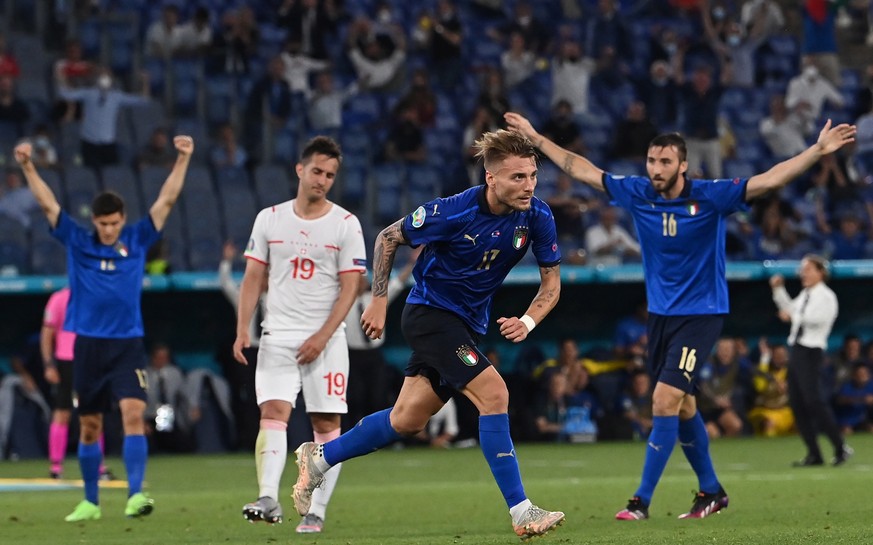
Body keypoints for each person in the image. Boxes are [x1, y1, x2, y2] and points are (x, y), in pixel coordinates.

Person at [505, 110, 856, 520]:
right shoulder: (638, 192)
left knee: (665, 398)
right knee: (684, 406)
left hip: (702, 314)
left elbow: (769, 179)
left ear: (683, 165)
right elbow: (581, 169)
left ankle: (641, 501)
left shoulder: (710, 196)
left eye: (665, 161)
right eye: (652, 161)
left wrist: (816, 150)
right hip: (661, 318)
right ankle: (711, 491)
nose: (656, 168)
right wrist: (536, 137)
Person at [291, 129, 566, 540]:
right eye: (517, 177)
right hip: (430, 315)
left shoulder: (537, 216)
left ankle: (321, 457)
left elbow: (551, 283)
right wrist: (379, 299)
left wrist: (527, 321)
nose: (528, 186)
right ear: (491, 178)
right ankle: (522, 510)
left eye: (531, 176)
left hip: (467, 324)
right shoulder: (453, 211)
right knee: (495, 393)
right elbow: (388, 237)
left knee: (407, 420)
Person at [14, 134, 194, 521]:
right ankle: (91, 502)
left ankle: (134, 495)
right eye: (103, 224)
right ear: (93, 221)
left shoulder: (137, 238)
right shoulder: (79, 241)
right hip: (88, 347)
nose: (109, 230)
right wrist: (28, 165)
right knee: (90, 426)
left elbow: (166, 201)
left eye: (114, 223)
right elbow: (48, 204)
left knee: (133, 413)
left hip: (127, 345)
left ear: (122, 220)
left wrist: (182, 159)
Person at [232, 136, 367, 534]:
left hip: (326, 341)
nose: (323, 180)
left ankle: (316, 511)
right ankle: (269, 498)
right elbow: (253, 277)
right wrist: (242, 328)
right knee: (272, 413)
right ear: (300, 170)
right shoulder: (270, 218)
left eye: (330, 175)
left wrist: (324, 335)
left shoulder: (345, 223)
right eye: (317, 171)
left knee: (325, 425)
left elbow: (351, 287)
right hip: (277, 335)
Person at [770, 254, 852, 466]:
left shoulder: (827, 297)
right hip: (797, 350)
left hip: (811, 351)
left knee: (814, 401)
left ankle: (840, 446)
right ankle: (814, 453)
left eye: (807, 269)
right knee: (797, 403)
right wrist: (778, 290)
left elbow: (818, 320)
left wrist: (793, 316)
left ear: (820, 272)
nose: (802, 273)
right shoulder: (806, 294)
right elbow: (790, 310)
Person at [344, 247, 419, 430]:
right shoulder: (342, 302)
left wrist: (411, 263)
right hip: (352, 355)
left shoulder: (376, 299)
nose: (361, 282)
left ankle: (380, 432)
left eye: (362, 278)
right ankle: (353, 434)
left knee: (378, 394)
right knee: (354, 397)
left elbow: (397, 283)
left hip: (374, 355)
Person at [41, 287, 110, 480]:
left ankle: (99, 466)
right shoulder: (60, 298)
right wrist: (49, 365)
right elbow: (47, 332)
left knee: (94, 412)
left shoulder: (95, 296)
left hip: (91, 359)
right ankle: (56, 466)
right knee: (62, 412)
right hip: (67, 359)